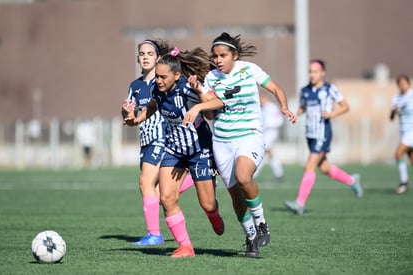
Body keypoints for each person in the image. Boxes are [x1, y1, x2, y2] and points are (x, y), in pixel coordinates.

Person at [183, 32, 296, 257]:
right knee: (235, 196)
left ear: (234, 55)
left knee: (244, 176)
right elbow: (213, 115)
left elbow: (275, 88)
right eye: (215, 56)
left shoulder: (249, 69)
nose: (218, 60)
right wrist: (199, 92)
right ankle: (251, 237)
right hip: (222, 141)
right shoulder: (211, 78)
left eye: (223, 55)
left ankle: (262, 223)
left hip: (250, 134)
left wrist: (283, 106)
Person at [123, 46, 224, 258]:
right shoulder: (156, 90)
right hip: (174, 150)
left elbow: (217, 103)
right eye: (157, 77)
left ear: (177, 75)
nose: (158, 81)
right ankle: (186, 246)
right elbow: (152, 106)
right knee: (166, 197)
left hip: (199, 151)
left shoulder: (187, 88)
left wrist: (197, 106)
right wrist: (136, 120)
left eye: (163, 77)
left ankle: (213, 212)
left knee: (207, 204)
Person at [121, 39, 194, 246]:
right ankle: (198, 178)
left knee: (145, 183)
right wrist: (126, 112)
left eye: (149, 54)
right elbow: (131, 118)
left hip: (162, 137)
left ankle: (154, 234)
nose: (145, 57)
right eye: (141, 54)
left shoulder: (163, 82)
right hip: (146, 140)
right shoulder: (135, 86)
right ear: (137, 58)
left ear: (157, 58)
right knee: (158, 193)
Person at [284, 59, 363, 215]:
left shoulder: (329, 89)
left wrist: (332, 114)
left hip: (323, 133)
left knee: (310, 166)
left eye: (315, 71)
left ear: (322, 73)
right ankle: (352, 181)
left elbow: (346, 106)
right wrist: (298, 111)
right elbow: (303, 106)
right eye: (310, 71)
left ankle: (299, 203)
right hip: (310, 134)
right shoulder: (305, 90)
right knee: (324, 167)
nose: (312, 74)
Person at [390, 75, 413, 194]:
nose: (402, 85)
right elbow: (391, 117)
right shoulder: (396, 98)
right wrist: (394, 110)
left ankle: (404, 183)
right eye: (400, 83)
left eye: (404, 82)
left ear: (408, 83)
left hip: (412, 131)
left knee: (398, 154)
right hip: (404, 131)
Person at [253, 92, 284, 180]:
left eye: (263, 98)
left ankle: (255, 173)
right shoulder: (260, 108)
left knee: (262, 152)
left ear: (266, 99)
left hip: (271, 133)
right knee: (270, 153)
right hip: (264, 134)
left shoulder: (272, 107)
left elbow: (280, 120)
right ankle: (279, 173)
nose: (261, 101)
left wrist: (269, 124)